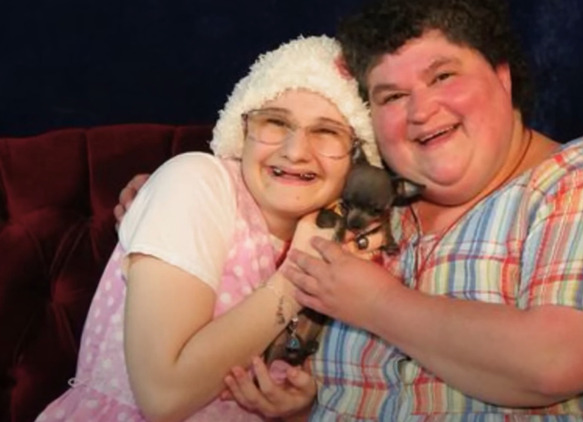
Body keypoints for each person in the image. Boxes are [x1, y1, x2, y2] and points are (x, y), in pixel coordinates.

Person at [117, 0, 583, 420]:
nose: (420, 110)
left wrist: (378, 302)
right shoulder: (373, 214)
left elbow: (552, 363)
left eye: (442, 77)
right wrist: (175, 198)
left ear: (503, 78)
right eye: (390, 95)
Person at [37, 35, 383, 422]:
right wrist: (296, 277)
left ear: (359, 158)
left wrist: (299, 409)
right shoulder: (197, 182)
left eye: (327, 132)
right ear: (243, 131)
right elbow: (163, 397)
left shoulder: (348, 242)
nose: (295, 150)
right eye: (274, 122)